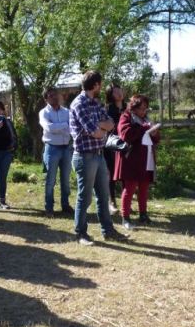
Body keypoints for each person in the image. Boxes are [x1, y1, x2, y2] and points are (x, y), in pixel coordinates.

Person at [69, 70, 128, 245]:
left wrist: (100, 128)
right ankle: (81, 234)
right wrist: (100, 129)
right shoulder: (79, 104)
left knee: (103, 196)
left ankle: (108, 231)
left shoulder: (95, 103)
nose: (101, 87)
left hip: (99, 155)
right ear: (95, 85)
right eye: (100, 84)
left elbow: (111, 124)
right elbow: (95, 133)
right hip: (84, 157)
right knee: (85, 197)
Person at [113, 94, 161, 230]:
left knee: (144, 188)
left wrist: (155, 133)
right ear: (134, 107)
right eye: (142, 108)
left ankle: (143, 214)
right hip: (131, 159)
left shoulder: (145, 119)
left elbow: (156, 139)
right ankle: (125, 218)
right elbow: (125, 134)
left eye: (146, 108)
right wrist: (145, 128)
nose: (144, 111)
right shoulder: (126, 117)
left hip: (146, 158)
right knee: (130, 188)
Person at [39, 87, 73, 215]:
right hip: (52, 148)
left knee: (65, 180)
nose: (55, 97)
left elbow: (72, 127)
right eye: (51, 95)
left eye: (56, 94)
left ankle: (65, 205)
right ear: (46, 98)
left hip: (66, 148)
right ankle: (49, 207)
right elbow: (49, 128)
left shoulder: (67, 112)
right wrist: (65, 125)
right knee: (50, 180)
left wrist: (58, 127)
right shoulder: (44, 113)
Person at [104, 84, 125, 215]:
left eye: (120, 90)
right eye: (115, 92)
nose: (119, 93)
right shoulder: (107, 109)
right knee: (111, 174)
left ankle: (125, 202)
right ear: (110, 95)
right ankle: (111, 202)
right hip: (111, 145)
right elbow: (108, 127)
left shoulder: (129, 107)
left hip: (126, 145)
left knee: (126, 175)